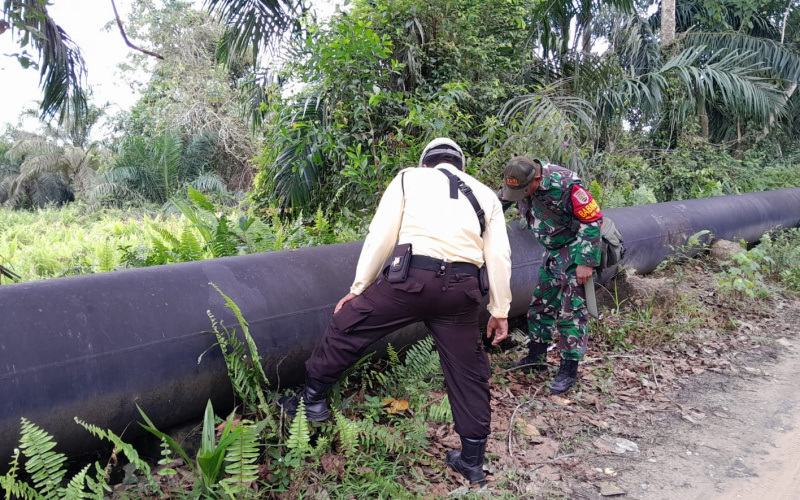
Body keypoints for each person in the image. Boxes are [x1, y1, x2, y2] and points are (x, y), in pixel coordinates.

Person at [278, 138, 513, 486]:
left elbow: (381, 235)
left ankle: (312, 400)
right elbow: (499, 256)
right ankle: (472, 461)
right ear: (461, 167)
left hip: (411, 281)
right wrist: (500, 309)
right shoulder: (486, 195)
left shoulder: (408, 178)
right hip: (462, 293)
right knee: (469, 372)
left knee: (349, 322)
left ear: (425, 164)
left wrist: (358, 289)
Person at [499, 156, 602, 395]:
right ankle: (536, 358)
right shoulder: (517, 179)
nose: (520, 194)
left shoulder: (566, 184)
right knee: (540, 305)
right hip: (551, 252)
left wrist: (585, 262)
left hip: (574, 251)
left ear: (536, 178)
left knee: (572, 311)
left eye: (524, 190)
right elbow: (498, 204)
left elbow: (593, 220)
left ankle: (568, 369)